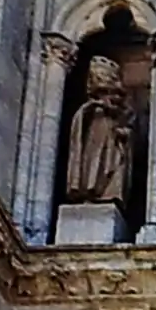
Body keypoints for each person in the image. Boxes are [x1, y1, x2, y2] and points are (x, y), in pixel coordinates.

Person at [63, 55, 132, 207]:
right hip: (94, 141)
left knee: (112, 166)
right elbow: (79, 124)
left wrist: (123, 133)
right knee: (92, 165)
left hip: (112, 141)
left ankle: (108, 193)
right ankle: (88, 191)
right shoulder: (90, 108)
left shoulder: (124, 109)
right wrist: (93, 107)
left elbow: (130, 127)